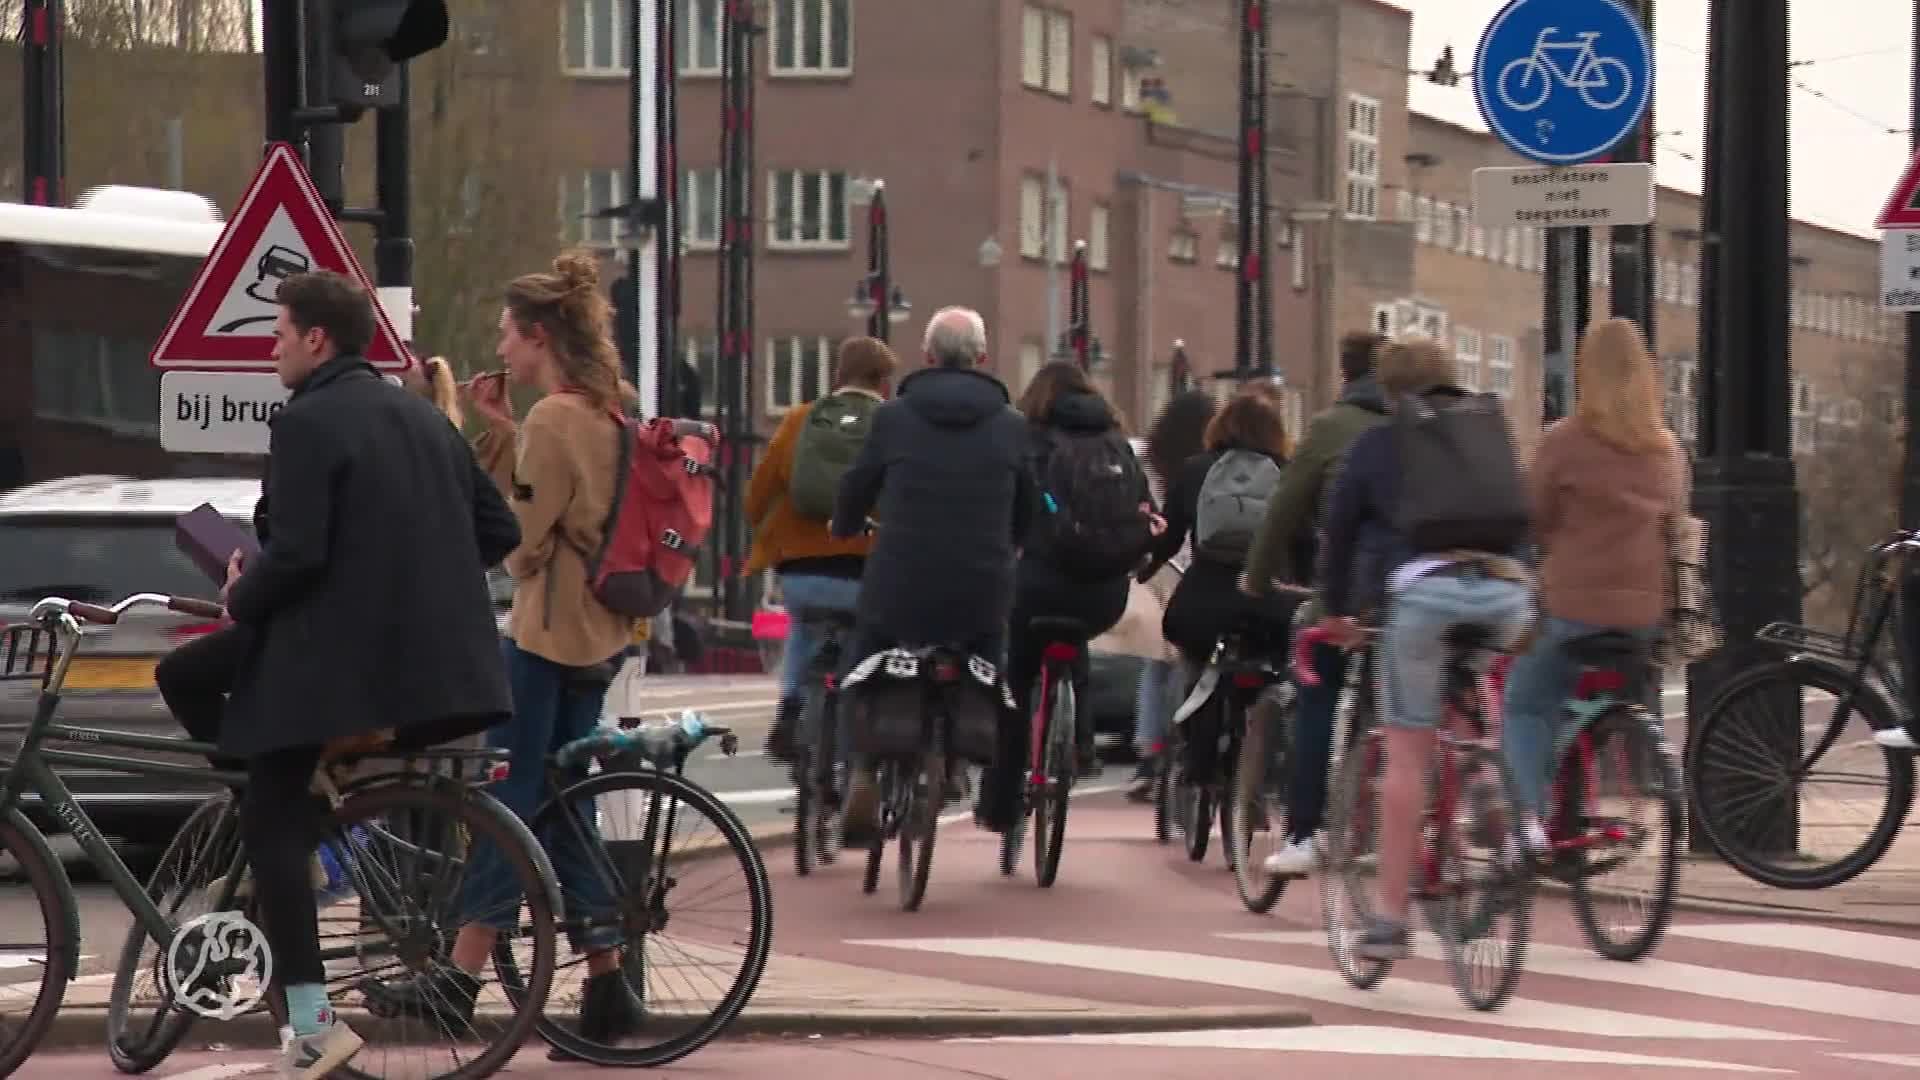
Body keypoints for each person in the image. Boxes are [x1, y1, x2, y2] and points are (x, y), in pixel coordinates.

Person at [155, 269, 520, 1078]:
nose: (272, 347)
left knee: (266, 820)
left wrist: (242, 589)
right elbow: (499, 528)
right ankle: (295, 805)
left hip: (341, 670)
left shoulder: (310, 422)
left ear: (317, 339)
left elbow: (303, 554)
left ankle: (313, 1026)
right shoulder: (423, 419)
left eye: (279, 333)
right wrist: (406, 578)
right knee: (193, 677)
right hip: (436, 672)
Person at [373, 252, 641, 1048]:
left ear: (536, 337)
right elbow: (566, 501)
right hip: (599, 634)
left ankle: (459, 976)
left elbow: (520, 544)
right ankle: (608, 984)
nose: (502, 348)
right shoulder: (608, 408)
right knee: (564, 807)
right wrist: (503, 434)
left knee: (503, 803)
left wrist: (507, 467)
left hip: (545, 635)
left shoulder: (558, 417)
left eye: (507, 334)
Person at [1315, 336, 1534, 961]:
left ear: (1387, 391)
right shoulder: (1491, 437)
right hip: (1505, 597)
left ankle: (1389, 919)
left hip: (1422, 598)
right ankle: (1498, 806)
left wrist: (1339, 611)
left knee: (1407, 754)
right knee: (1477, 717)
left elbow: (1338, 530)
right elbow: (1521, 518)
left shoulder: (1378, 444)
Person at [830, 307, 1037, 836]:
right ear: (983, 359)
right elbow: (1028, 511)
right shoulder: (1013, 427)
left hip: (902, 579)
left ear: (925, 357)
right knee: (991, 653)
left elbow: (859, 484)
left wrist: (844, 523)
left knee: (866, 653)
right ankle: (958, 764)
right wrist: (1012, 545)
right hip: (980, 586)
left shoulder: (893, 417)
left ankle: (861, 769)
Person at [1502, 317, 1686, 845]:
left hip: (1572, 608)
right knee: (1588, 698)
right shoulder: (1667, 450)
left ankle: (1528, 825)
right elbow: (1676, 523)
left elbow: (1533, 518)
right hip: (1646, 615)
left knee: (1527, 704)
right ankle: (1591, 767)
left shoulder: (1565, 440)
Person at [979, 361, 1160, 833]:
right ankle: (1079, 746)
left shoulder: (1027, 438)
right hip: (1105, 591)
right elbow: (1145, 511)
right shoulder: (1116, 441)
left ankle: (999, 803)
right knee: (1075, 633)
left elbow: (1005, 509)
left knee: (1017, 678)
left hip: (1038, 584)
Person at [1240, 331, 1389, 877]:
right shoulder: (1420, 429)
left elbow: (1284, 508)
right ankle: (1380, 826)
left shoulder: (1332, 428)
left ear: (1346, 374)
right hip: (1408, 595)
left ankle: (1305, 832)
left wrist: (1256, 578)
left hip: (1344, 593)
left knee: (1316, 696)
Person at [746, 337, 897, 768]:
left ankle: (791, 708)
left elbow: (756, 498)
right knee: (866, 653)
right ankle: (856, 761)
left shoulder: (799, 421)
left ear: (837, 376)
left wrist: (772, 537)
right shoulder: (892, 424)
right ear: (884, 383)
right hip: (866, 572)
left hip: (801, 573)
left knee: (804, 625)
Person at [1138, 388, 1298, 789]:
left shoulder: (1196, 470)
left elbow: (1170, 538)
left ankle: (1195, 759)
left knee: (1194, 661)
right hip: (1267, 598)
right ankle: (1266, 770)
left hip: (1203, 600)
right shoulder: (1290, 473)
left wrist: (1145, 567)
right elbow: (1306, 541)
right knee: (1279, 670)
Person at [1126, 391, 1218, 800]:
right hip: (1197, 567)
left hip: (1158, 567)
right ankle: (1184, 742)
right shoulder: (1209, 464)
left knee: (1155, 662)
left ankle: (1150, 750)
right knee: (1190, 660)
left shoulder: (1151, 460)